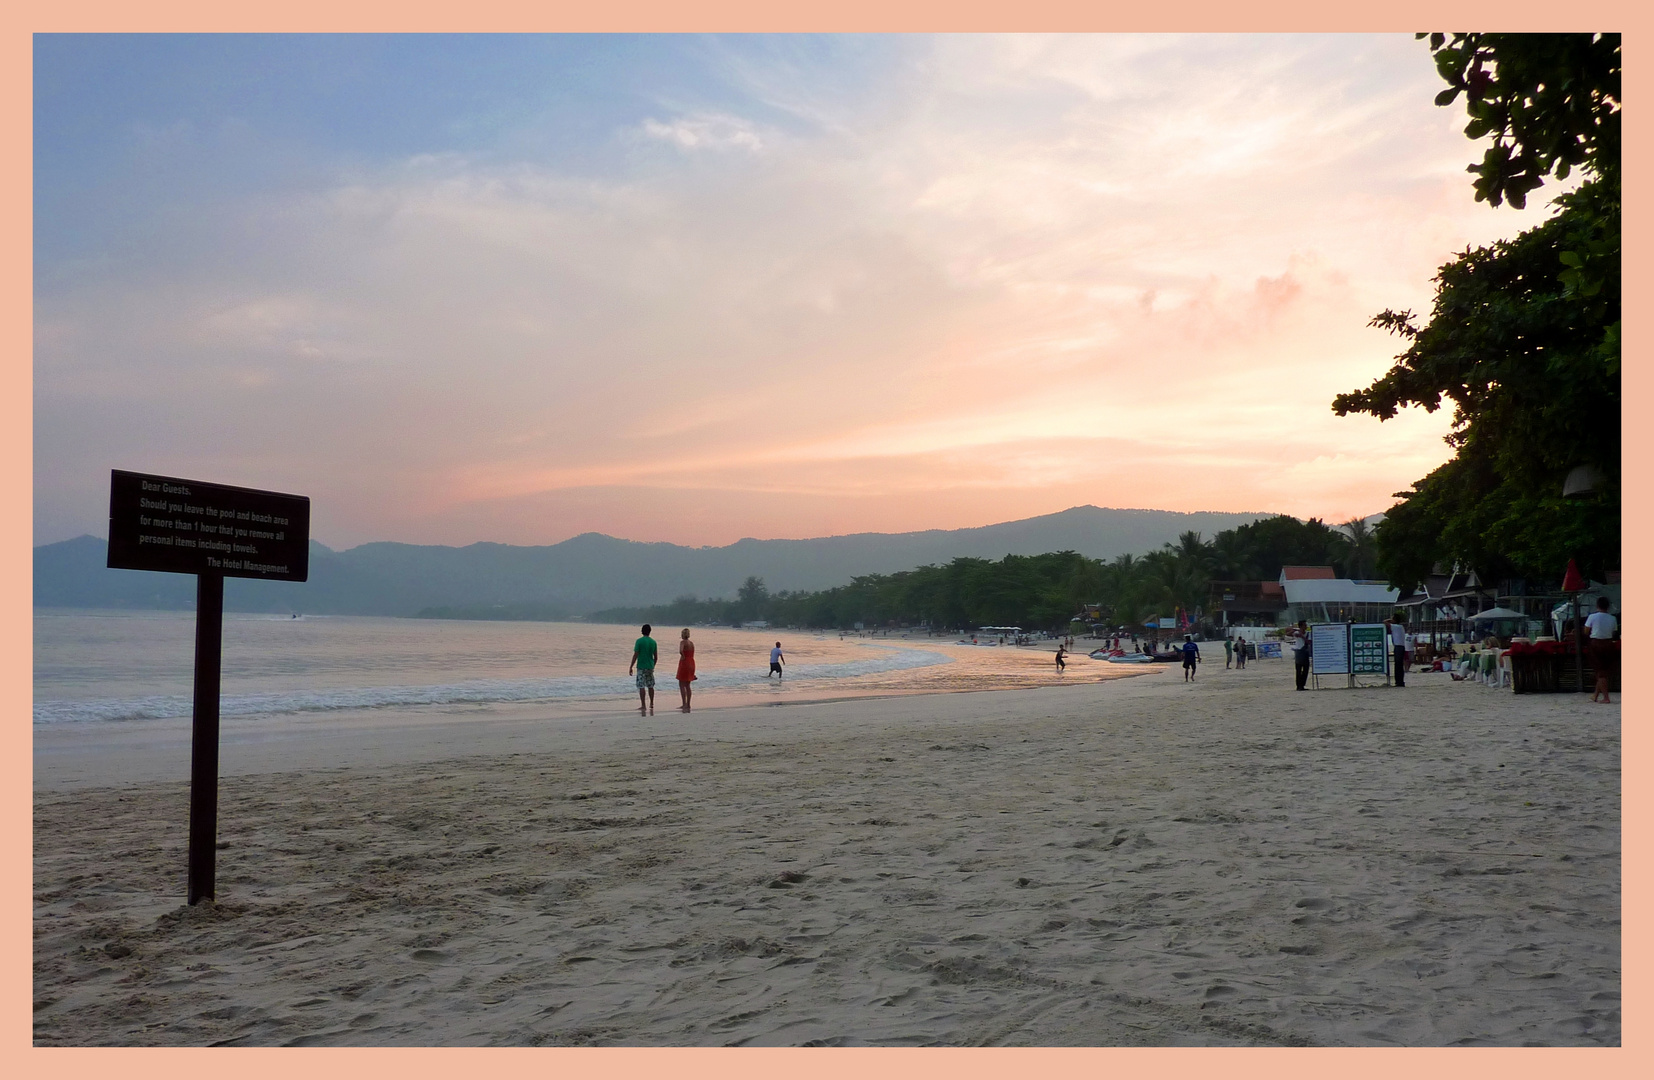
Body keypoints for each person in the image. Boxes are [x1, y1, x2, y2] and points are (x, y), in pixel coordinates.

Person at [1584, 596, 1619, 703]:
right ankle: (1595, 695)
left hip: (1596, 643)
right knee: (1603, 670)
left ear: (1597, 605)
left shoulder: (1592, 617)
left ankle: (1606, 697)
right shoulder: (1612, 618)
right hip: (1608, 643)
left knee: (1600, 672)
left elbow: (1586, 631)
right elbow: (1614, 632)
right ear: (1608, 607)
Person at [629, 624, 658, 715]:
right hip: (650, 666)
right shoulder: (653, 642)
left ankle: (643, 705)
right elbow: (656, 657)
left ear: (642, 631)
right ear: (650, 631)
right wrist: (653, 665)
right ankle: (652, 703)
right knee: (650, 685)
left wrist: (631, 666)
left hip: (641, 666)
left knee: (641, 685)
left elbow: (636, 654)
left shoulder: (639, 641)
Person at [1386, 613, 1410, 688]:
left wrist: (1390, 620)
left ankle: (1399, 681)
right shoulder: (1400, 627)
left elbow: (1385, 622)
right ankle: (1400, 681)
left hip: (1398, 646)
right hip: (1401, 646)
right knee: (1399, 665)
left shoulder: (1395, 626)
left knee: (1397, 665)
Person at [675, 628, 697, 713]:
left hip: (684, 662)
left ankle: (684, 703)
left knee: (681, 684)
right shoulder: (691, 643)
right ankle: (688, 704)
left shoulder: (683, 642)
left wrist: (683, 656)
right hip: (691, 662)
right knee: (688, 685)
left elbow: (680, 650)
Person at [1290, 620, 1311, 690]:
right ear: (1301, 626)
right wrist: (1294, 630)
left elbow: (1309, 642)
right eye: (1304, 625)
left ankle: (1302, 684)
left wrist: (1302, 636)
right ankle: (1299, 685)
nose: (1306, 626)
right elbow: (1288, 633)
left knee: (1305, 669)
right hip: (1299, 652)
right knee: (1298, 670)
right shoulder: (1296, 632)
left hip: (1305, 652)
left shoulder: (1308, 633)